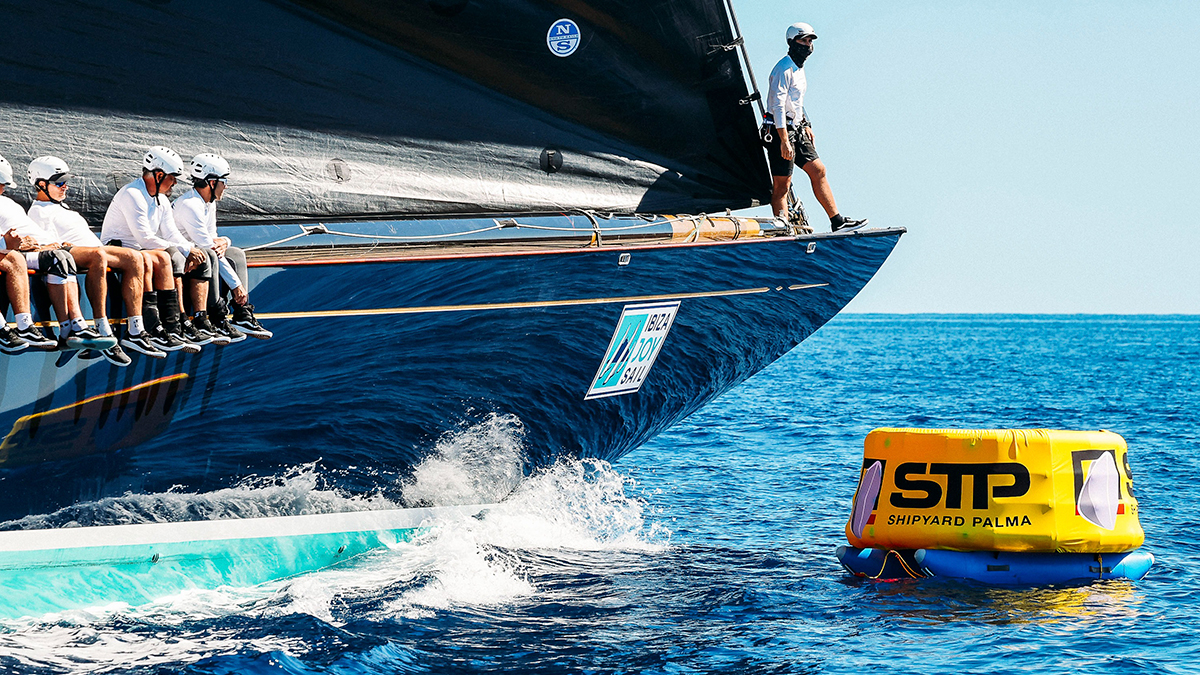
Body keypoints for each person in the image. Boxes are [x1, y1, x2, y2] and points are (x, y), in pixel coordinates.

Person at [26, 156, 166, 365]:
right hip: (73, 254)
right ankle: (102, 328)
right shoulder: (38, 211)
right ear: (41, 185)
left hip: (92, 251)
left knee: (136, 258)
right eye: (59, 183)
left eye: (66, 182)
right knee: (98, 255)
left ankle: (136, 330)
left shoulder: (63, 207)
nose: (66, 187)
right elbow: (46, 247)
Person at [0, 157, 116, 354]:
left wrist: (47, 244)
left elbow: (29, 233)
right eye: (1, 185)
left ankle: (72, 328)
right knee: (18, 258)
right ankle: (18, 327)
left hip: (24, 252)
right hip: (12, 254)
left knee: (60, 257)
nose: (3, 189)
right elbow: (11, 241)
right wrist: (6, 243)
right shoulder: (36, 209)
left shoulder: (8, 203)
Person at [100, 146, 210, 354]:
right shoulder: (133, 194)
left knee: (165, 256)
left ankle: (171, 327)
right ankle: (153, 326)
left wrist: (189, 250)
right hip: (117, 250)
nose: (175, 183)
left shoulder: (161, 199)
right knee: (160, 257)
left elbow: (171, 234)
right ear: (159, 175)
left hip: (139, 250)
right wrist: (183, 249)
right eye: (173, 177)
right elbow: (144, 237)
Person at [766, 22, 867, 232]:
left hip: (796, 128)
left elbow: (796, 102)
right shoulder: (783, 69)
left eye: (810, 41)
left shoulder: (799, 69)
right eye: (803, 40)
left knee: (818, 170)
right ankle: (782, 228)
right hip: (779, 132)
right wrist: (784, 139)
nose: (808, 45)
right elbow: (777, 106)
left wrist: (806, 123)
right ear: (792, 42)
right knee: (783, 185)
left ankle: (837, 221)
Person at [173, 154, 272, 341]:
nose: (226, 186)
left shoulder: (208, 203)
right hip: (183, 258)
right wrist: (237, 286)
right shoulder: (190, 205)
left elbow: (215, 240)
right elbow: (210, 248)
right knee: (210, 256)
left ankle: (242, 314)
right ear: (211, 182)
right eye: (224, 181)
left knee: (236, 254)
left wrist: (226, 241)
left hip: (200, 252)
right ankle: (217, 314)